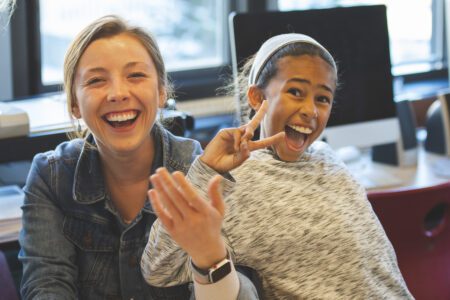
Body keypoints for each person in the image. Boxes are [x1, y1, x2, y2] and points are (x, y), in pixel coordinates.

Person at [141, 33, 414, 299]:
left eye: (322, 98)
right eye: (295, 92)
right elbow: (157, 269)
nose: (311, 110)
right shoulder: (233, 181)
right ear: (258, 98)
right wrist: (206, 169)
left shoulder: (328, 158)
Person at [18, 15, 269, 300]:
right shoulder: (50, 177)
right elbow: (46, 287)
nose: (118, 93)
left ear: (162, 92)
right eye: (97, 80)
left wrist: (210, 257)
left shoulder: (205, 174)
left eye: (135, 75)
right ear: (74, 104)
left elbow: (246, 291)